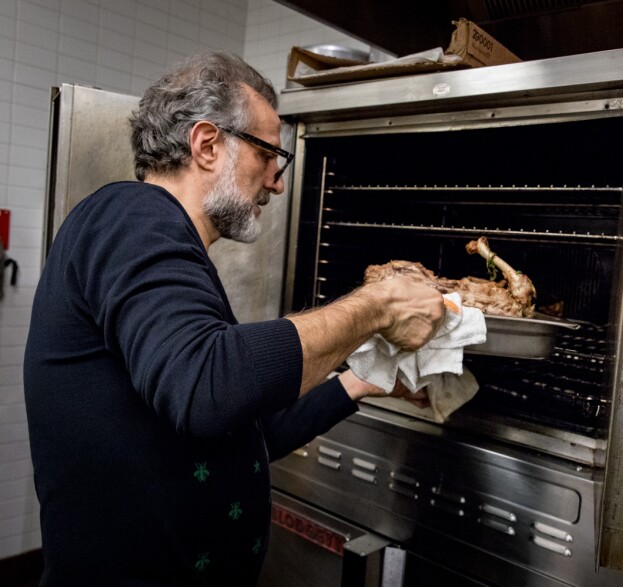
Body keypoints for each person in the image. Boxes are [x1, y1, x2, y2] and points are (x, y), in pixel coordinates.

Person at [23, 51, 444, 586]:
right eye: (270, 154)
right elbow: (208, 386)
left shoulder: (168, 245)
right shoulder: (131, 215)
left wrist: (362, 381)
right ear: (206, 144)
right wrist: (378, 305)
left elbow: (243, 430)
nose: (277, 182)